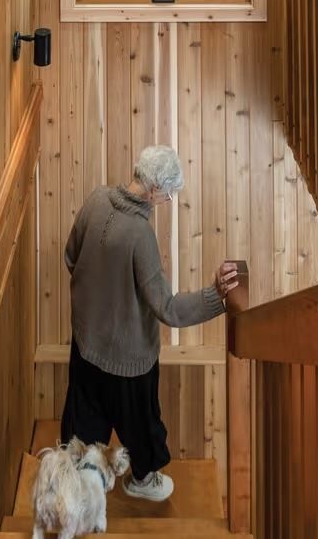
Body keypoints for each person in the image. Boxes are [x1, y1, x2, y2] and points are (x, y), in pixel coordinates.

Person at [60, 144, 240, 502]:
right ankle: (142, 480)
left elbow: (70, 257)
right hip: (129, 361)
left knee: (84, 422)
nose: (168, 201)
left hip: (84, 345)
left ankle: (76, 490)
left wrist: (100, 304)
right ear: (156, 188)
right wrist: (217, 297)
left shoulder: (96, 200)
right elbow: (168, 309)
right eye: (170, 194)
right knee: (142, 426)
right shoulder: (140, 234)